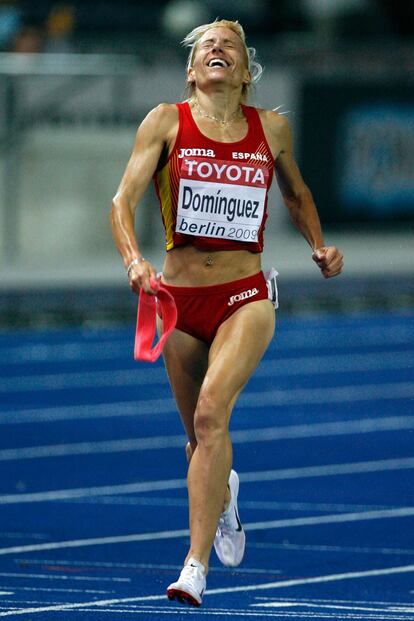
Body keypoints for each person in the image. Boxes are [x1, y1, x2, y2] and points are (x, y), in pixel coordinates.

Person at [110, 18, 343, 607]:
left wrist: (317, 244)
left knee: (214, 414)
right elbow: (123, 200)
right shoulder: (166, 121)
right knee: (198, 437)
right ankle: (225, 493)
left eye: (229, 46)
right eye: (206, 45)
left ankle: (194, 566)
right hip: (177, 301)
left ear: (245, 73)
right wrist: (135, 261)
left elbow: (295, 193)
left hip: (245, 296)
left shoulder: (272, 128)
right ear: (192, 70)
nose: (217, 50)